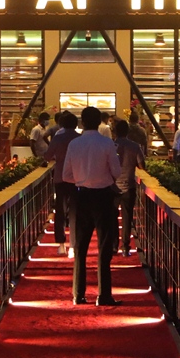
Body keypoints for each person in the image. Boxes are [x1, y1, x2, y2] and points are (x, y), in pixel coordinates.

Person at [61, 106, 122, 305]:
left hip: (81, 197)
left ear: (82, 123)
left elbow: (66, 176)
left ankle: (78, 294)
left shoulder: (74, 144)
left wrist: (81, 178)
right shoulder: (106, 143)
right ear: (99, 122)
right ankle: (104, 295)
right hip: (103, 197)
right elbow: (116, 172)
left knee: (80, 248)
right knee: (104, 247)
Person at [45, 111, 79, 246]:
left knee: (60, 208)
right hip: (77, 178)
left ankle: (60, 241)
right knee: (75, 209)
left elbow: (47, 156)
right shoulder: (79, 138)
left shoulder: (58, 138)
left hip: (60, 176)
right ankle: (75, 239)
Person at [112, 117, 145, 255]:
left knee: (112, 218)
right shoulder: (134, 146)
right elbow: (142, 165)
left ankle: (113, 246)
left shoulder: (110, 145)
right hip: (129, 185)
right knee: (127, 218)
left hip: (112, 187)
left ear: (114, 132)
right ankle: (125, 247)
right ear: (128, 131)